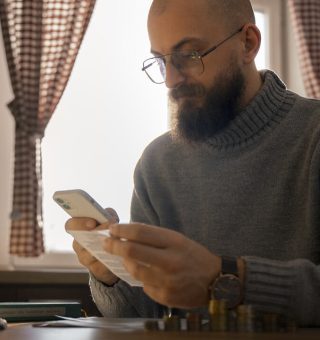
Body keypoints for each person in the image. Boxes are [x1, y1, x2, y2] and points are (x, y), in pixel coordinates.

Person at [66, 0, 320, 326]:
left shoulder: (312, 137)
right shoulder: (157, 165)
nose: (171, 79)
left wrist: (225, 278)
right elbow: (144, 316)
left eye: (189, 55)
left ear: (249, 43)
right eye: (160, 61)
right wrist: (111, 273)